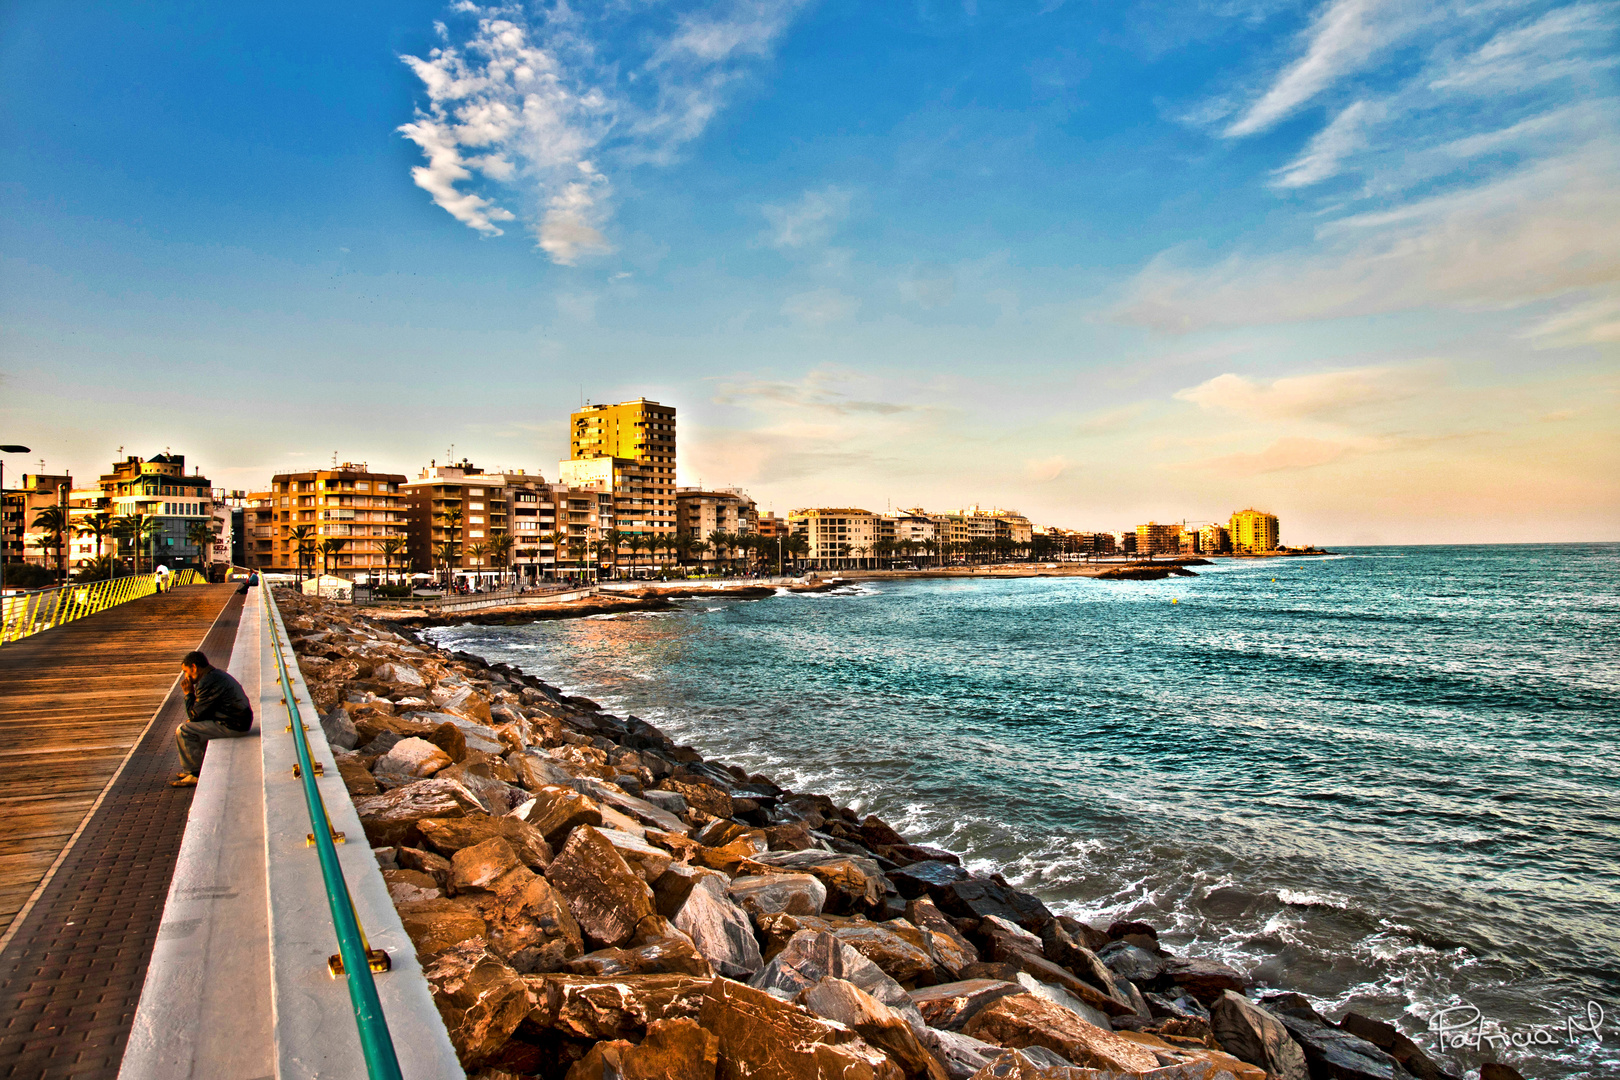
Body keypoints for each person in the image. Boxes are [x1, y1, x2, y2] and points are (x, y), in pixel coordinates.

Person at [171, 649, 253, 787]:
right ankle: (193, 768)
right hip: (238, 721)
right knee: (191, 725)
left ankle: (195, 773)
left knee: (184, 730)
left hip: (233, 725)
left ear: (194, 667)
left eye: (186, 671)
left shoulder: (206, 682)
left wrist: (188, 694)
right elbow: (202, 712)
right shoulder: (216, 675)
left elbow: (194, 715)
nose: (185, 676)